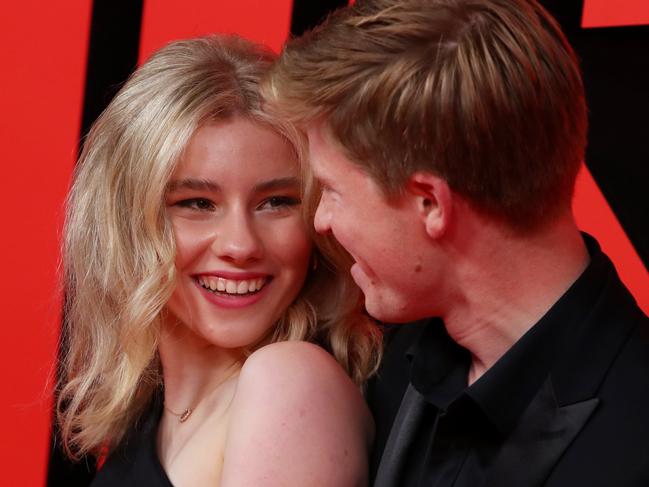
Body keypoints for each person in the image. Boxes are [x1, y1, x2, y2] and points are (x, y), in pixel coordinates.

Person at [263, 0, 649, 485]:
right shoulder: (378, 366)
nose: (320, 220)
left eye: (333, 191)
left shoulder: (633, 446)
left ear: (431, 204)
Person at [57, 35, 381, 486]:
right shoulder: (149, 419)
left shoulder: (287, 384)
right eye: (197, 203)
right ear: (126, 222)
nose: (240, 244)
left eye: (276, 202)